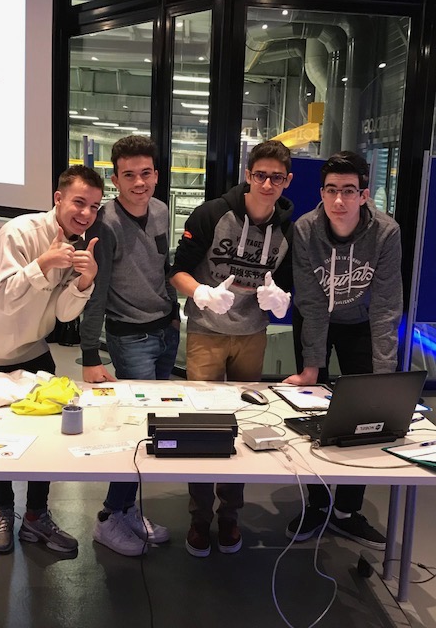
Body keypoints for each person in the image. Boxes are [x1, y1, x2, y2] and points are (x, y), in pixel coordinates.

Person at [0, 165, 104, 554]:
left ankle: (37, 516)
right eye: (79, 202)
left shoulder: (77, 244)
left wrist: (85, 281)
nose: (86, 213)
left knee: (45, 437)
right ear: (58, 198)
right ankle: (4, 510)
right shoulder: (19, 232)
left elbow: (63, 314)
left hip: (34, 350)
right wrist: (44, 263)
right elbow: (6, 299)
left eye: (94, 206)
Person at [170, 139, 294, 557]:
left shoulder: (289, 228)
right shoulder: (212, 214)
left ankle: (230, 515)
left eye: (276, 178)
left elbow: (286, 284)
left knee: (245, 423)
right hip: (207, 330)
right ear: (248, 175)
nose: (267, 184)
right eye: (260, 175)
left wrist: (282, 299)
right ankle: (199, 517)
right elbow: (177, 270)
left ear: (287, 181)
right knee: (202, 424)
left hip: (252, 334)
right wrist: (200, 292)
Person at [284, 150, 403, 551]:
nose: (339, 199)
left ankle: (347, 511)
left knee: (366, 414)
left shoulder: (386, 232)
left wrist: (384, 375)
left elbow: (386, 305)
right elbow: (312, 302)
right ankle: (317, 503)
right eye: (332, 190)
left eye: (349, 191)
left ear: (364, 195)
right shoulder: (305, 229)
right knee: (311, 407)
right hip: (316, 318)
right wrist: (311, 367)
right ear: (321, 192)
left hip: (362, 323)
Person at [80, 135, 179, 557]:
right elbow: (97, 291)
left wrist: (177, 308)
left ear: (156, 174)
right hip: (130, 336)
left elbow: (161, 266)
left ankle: (125, 509)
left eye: (146, 173)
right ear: (115, 178)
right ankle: (108, 517)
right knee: (137, 429)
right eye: (129, 175)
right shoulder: (105, 223)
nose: (140, 183)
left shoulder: (161, 209)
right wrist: (89, 353)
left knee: (153, 426)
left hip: (166, 330)